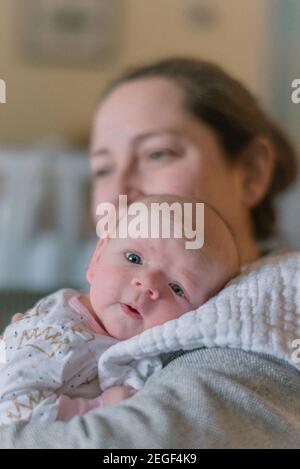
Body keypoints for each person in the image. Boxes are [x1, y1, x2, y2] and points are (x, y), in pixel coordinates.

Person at [0, 57, 299, 448]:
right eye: (103, 169)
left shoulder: (265, 322)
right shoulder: (94, 309)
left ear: (252, 171)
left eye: (157, 153)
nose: (119, 192)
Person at [0, 195, 240, 426]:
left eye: (177, 288)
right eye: (134, 258)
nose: (147, 284)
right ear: (97, 258)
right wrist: (98, 408)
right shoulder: (63, 338)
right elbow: (13, 412)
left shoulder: (164, 364)